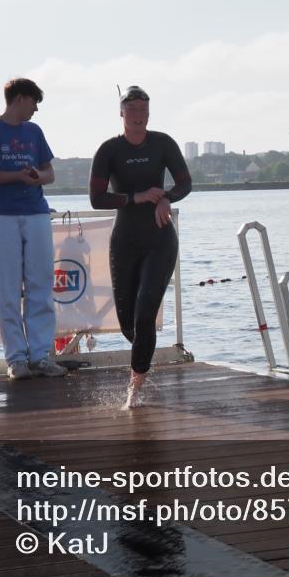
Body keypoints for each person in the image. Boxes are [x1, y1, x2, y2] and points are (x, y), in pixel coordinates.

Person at [89, 85, 192, 408]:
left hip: (160, 237)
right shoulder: (109, 150)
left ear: (149, 113)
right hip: (125, 241)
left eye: (143, 110)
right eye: (132, 109)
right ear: (121, 113)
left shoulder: (163, 143)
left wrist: (166, 198)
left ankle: (134, 390)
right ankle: (143, 358)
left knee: (146, 312)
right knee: (129, 323)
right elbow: (96, 198)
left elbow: (185, 182)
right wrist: (135, 198)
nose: (138, 115)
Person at [0, 78, 66, 380]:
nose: (36, 109)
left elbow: (50, 172)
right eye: (34, 101)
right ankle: (17, 359)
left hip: (36, 213)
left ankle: (40, 355)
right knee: (7, 290)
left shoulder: (34, 132)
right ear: (20, 98)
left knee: (40, 286)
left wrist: (37, 176)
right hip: (1, 215)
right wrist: (16, 176)